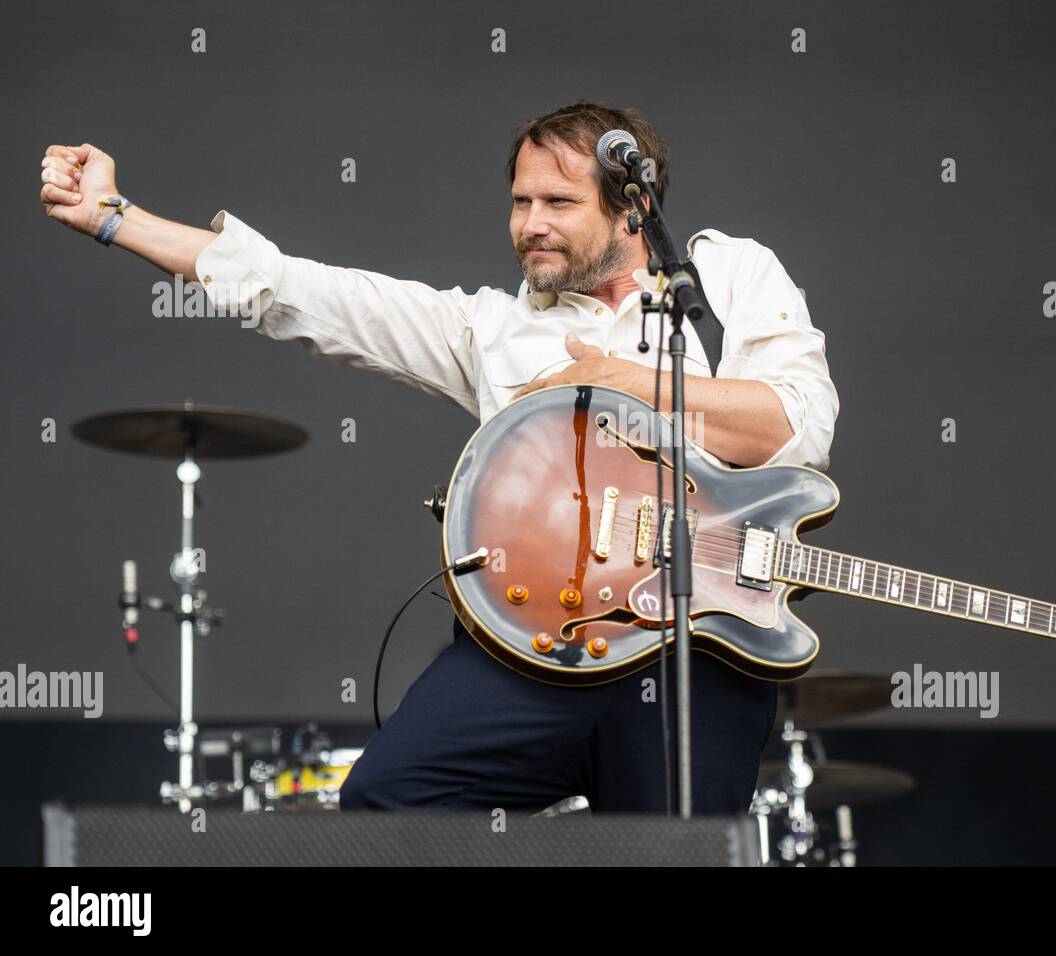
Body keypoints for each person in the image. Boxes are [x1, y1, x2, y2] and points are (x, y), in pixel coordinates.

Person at [39, 101, 839, 815]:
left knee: (683, 854)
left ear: (634, 206)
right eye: (520, 202)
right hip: (540, 648)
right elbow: (295, 290)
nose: (530, 224)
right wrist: (114, 217)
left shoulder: (726, 276)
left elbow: (797, 430)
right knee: (389, 796)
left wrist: (628, 385)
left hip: (695, 650)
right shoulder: (491, 330)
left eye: (558, 203)